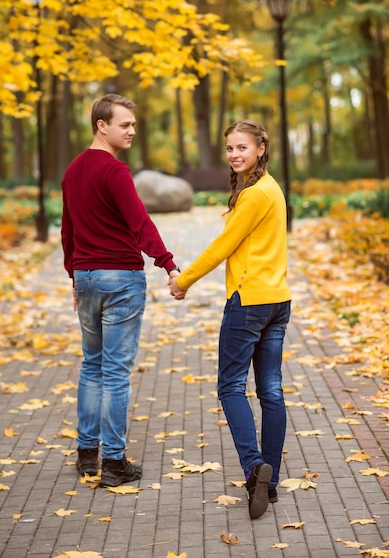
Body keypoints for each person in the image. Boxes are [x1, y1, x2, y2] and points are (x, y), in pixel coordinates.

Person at [169, 120, 291, 519]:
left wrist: (182, 280)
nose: (235, 154)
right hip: (277, 301)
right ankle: (267, 487)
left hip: (249, 303)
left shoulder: (255, 195)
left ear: (260, 148)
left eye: (242, 147)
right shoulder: (272, 187)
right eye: (229, 149)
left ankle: (256, 468)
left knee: (230, 388)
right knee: (271, 392)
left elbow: (223, 246)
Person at [61, 93, 182, 488]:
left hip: (87, 277)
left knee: (91, 365)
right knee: (114, 372)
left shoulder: (72, 171)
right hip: (121, 280)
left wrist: (74, 277)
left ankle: (85, 455)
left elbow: (68, 233)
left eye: (132, 123)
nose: (132, 130)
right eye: (125, 124)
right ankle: (113, 462)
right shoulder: (114, 171)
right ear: (102, 125)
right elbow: (139, 221)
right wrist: (166, 262)